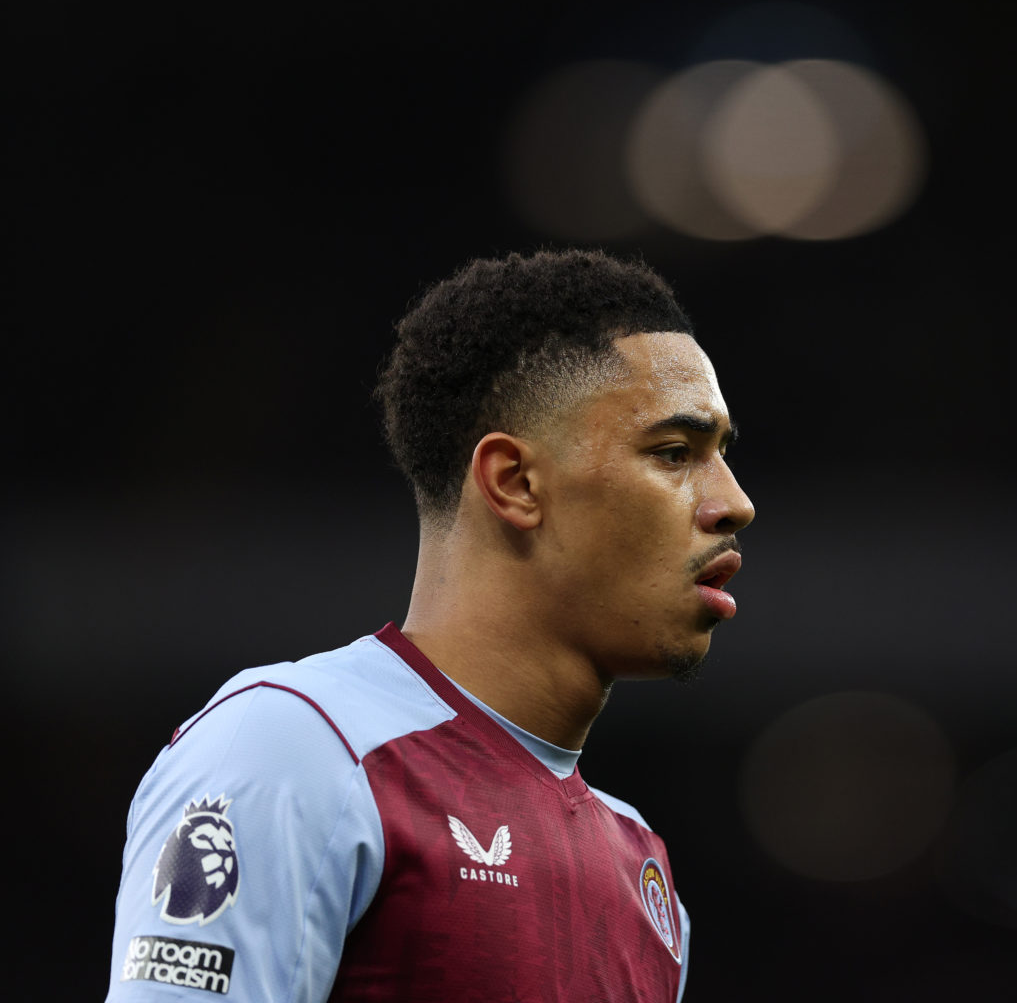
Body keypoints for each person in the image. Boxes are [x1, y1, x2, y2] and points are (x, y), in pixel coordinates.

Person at [106, 248, 755, 1001]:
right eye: (674, 452)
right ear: (514, 482)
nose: (733, 503)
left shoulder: (641, 867)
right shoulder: (295, 749)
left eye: (722, 456)